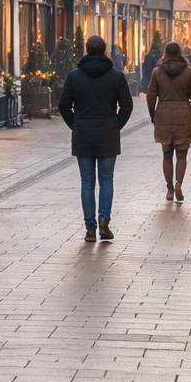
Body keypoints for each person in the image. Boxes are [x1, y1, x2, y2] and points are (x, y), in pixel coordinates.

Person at [59, 35, 134, 243]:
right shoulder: (116, 76)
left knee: (87, 182)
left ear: (86, 49)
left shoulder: (74, 76)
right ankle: (104, 221)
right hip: (108, 133)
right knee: (106, 179)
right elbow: (127, 105)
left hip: (83, 133)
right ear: (104, 51)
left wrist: (75, 124)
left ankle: (90, 227)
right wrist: (116, 124)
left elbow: (63, 105)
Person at [146, 42, 191, 203]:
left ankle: (170, 189)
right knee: (181, 154)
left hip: (163, 115)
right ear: (180, 53)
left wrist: (153, 115)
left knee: (166, 154)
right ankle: (179, 183)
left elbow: (151, 96)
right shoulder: (189, 72)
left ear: (165, 53)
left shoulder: (157, 72)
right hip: (183, 114)